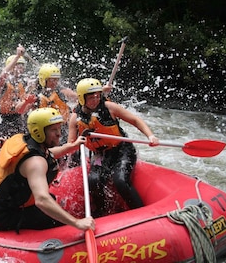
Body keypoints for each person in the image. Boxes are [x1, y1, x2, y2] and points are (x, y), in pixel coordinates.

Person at [0, 107, 95, 232]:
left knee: (52, 199)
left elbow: (48, 153)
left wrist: (71, 146)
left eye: (59, 128)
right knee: (58, 220)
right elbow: (41, 200)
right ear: (39, 132)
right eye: (54, 130)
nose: (59, 133)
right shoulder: (35, 163)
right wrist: (77, 223)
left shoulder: (29, 141)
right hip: (3, 215)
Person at [67, 78, 159, 217]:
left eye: (98, 96)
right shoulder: (75, 118)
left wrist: (150, 136)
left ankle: (142, 213)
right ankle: (102, 212)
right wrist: (74, 146)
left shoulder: (110, 108)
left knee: (120, 181)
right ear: (81, 98)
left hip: (122, 150)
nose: (95, 99)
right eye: (91, 97)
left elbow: (135, 120)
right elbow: (70, 144)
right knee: (93, 181)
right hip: (100, 154)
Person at [0, 45, 36, 140]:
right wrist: (17, 56)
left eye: (22, 66)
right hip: (7, 123)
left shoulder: (23, 85)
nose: (21, 69)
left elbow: (21, 110)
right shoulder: (2, 84)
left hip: (20, 122)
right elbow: (3, 74)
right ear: (11, 67)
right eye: (18, 66)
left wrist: (27, 102)